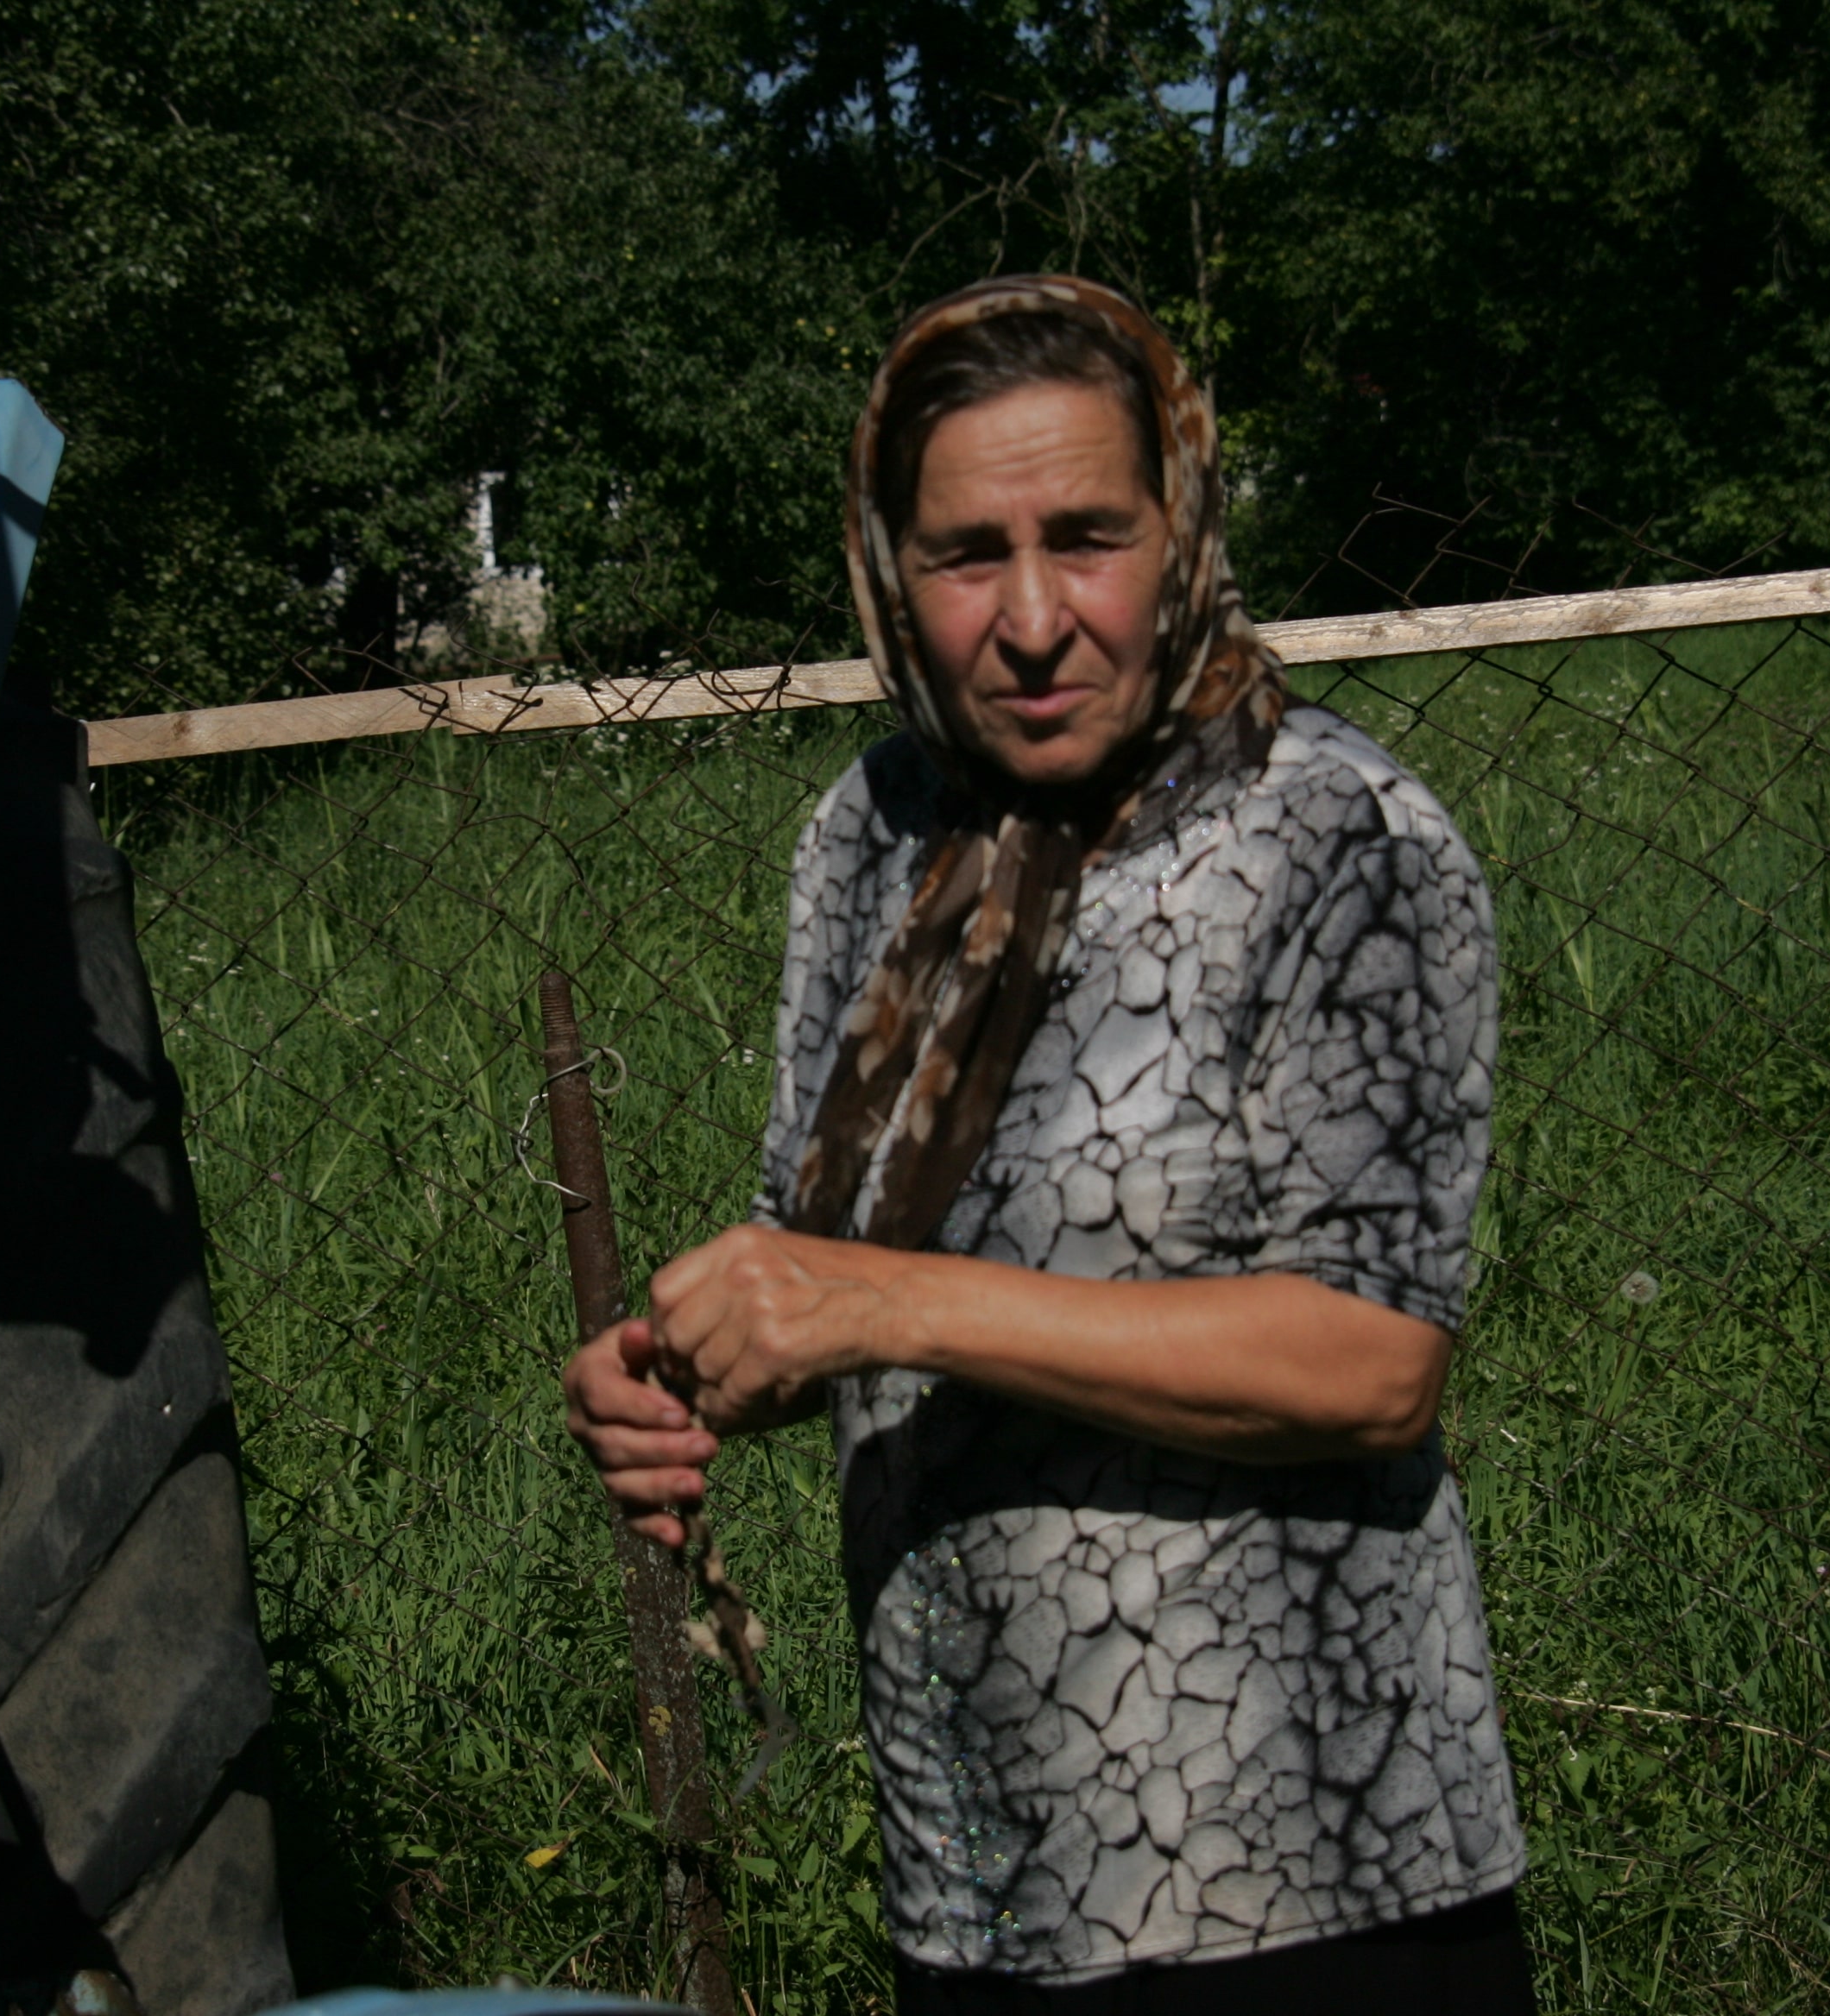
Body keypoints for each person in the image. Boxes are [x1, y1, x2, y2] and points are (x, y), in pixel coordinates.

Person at [563, 275, 1530, 2013]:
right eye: (962, 551)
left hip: (1306, 1884)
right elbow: (830, 1271)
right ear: (886, 568)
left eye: (1087, 535)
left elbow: (1373, 1362)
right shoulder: (877, 835)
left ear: (1183, 534)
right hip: (978, 1880)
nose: (1028, 617)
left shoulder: (1335, 838)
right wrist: (696, 1369)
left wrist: (888, 1302)